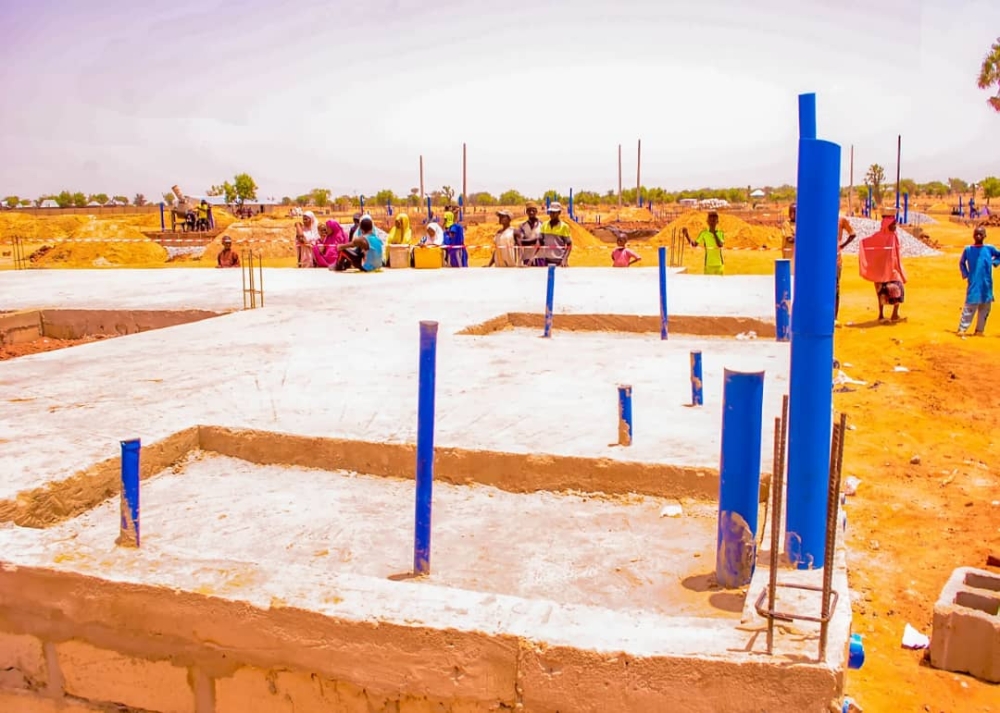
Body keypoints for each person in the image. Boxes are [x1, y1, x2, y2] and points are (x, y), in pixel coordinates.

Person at [858, 214, 907, 322]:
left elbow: (896, 252)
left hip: (893, 269)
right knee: (881, 292)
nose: (895, 226)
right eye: (893, 224)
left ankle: (895, 314)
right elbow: (867, 244)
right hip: (880, 269)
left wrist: (899, 267)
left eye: (895, 224)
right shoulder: (877, 237)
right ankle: (881, 315)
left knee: (899, 288)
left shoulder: (894, 236)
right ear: (886, 225)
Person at [958, 226, 1000, 336]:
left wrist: (995, 262)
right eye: (976, 234)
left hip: (986, 283)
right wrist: (966, 274)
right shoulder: (968, 250)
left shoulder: (989, 249)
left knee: (985, 307)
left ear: (985, 236)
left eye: (980, 234)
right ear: (973, 235)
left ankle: (979, 330)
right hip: (974, 282)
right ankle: (962, 329)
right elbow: (962, 263)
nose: (978, 236)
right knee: (970, 306)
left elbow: (999, 255)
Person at [835, 216, 857, 322]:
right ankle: (833, 317)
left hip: (835, 259)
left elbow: (853, 234)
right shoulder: (840, 220)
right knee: (835, 288)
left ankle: (834, 316)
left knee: (835, 288)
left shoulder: (841, 220)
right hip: (834, 258)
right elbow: (852, 234)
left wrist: (842, 246)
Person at [539, 201, 572, 267]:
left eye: (554, 212)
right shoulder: (544, 225)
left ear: (559, 212)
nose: (552, 214)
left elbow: (569, 245)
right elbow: (540, 242)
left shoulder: (564, 227)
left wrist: (564, 259)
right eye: (551, 212)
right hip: (546, 261)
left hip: (559, 262)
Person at [516, 201, 544, 266]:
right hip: (527, 258)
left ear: (536, 212)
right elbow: (520, 241)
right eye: (529, 211)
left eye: (533, 210)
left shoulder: (542, 225)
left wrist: (529, 241)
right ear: (526, 212)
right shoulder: (522, 226)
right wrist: (536, 240)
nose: (531, 212)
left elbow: (543, 241)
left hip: (540, 258)